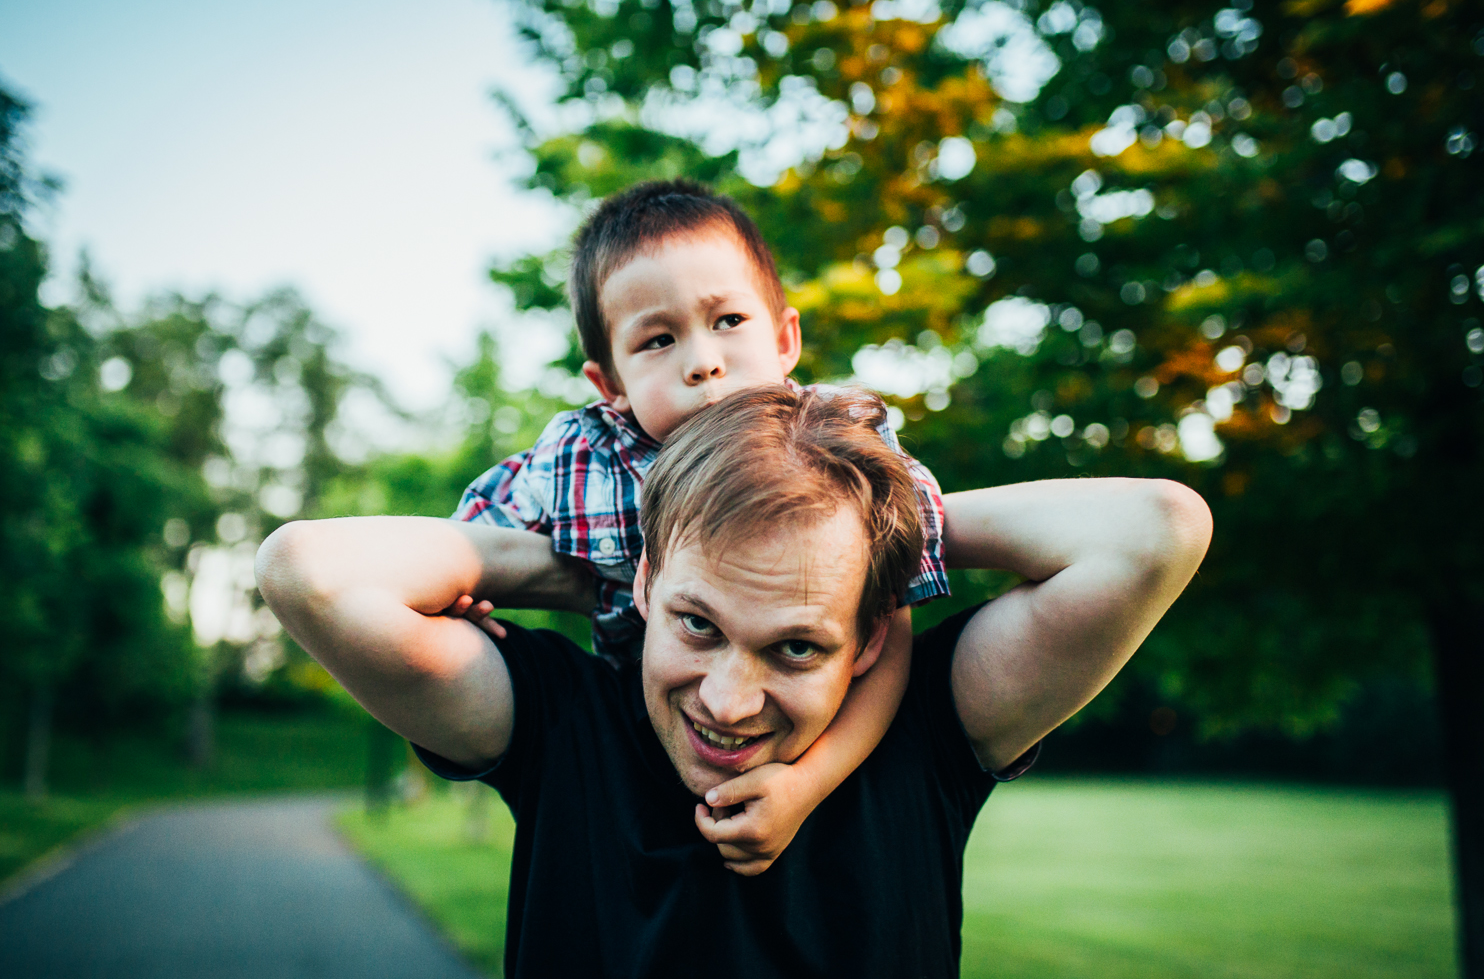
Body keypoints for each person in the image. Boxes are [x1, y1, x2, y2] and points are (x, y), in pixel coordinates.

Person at [255, 385, 1212, 978]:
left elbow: (1158, 529)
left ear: (871, 637)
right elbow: (308, 572)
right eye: (696, 625)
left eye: (797, 648)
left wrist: (858, 514)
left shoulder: (930, 728)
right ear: (644, 584)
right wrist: (557, 565)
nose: (726, 701)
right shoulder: (559, 721)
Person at [446, 179, 952, 873]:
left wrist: (808, 785)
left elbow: (889, 623)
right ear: (610, 385)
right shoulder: (584, 458)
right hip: (642, 724)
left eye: (729, 322)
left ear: (785, 339)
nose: (703, 361)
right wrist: (467, 592)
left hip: (801, 736)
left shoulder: (848, 456)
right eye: (658, 339)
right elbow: (465, 542)